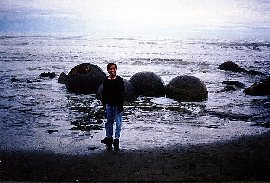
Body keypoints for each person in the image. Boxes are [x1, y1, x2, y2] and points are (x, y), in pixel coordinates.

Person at [101, 63, 125, 150]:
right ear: (108, 70)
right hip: (109, 104)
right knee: (109, 122)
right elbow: (104, 93)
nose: (112, 70)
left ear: (116, 69)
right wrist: (104, 104)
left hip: (117, 104)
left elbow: (122, 94)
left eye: (113, 69)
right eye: (110, 69)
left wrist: (121, 105)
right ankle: (109, 137)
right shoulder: (106, 80)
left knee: (118, 123)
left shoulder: (119, 80)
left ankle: (116, 139)